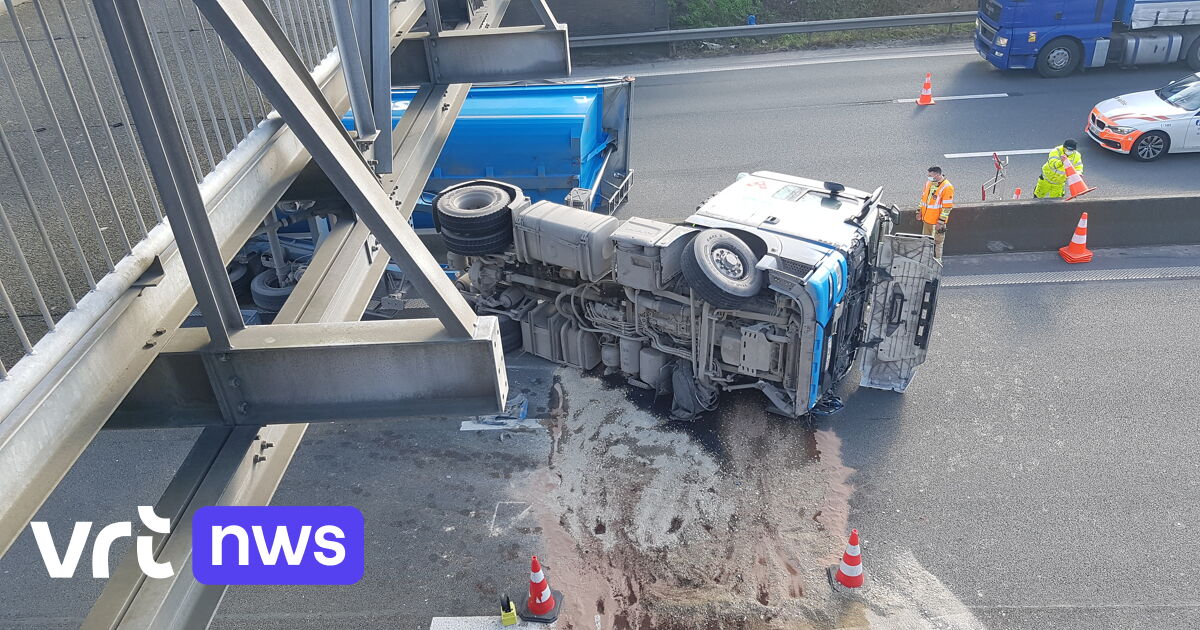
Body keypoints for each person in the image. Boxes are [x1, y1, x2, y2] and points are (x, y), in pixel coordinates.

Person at [919, 166, 954, 260]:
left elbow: (947, 207)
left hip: (937, 223)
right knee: (925, 242)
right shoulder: (929, 183)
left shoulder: (947, 187)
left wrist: (940, 222)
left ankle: (937, 262)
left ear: (937, 175)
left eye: (930, 175)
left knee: (937, 243)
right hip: (927, 220)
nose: (928, 177)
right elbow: (923, 198)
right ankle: (926, 260)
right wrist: (919, 211)